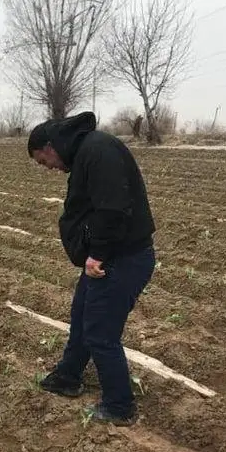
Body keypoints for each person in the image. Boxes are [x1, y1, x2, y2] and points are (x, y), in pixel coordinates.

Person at [28, 111, 156, 427]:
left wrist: (97, 255)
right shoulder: (88, 151)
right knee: (82, 314)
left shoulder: (97, 151)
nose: (50, 169)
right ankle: (68, 376)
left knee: (101, 332)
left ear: (49, 146)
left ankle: (119, 405)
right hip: (113, 254)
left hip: (122, 258)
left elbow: (113, 209)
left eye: (44, 162)